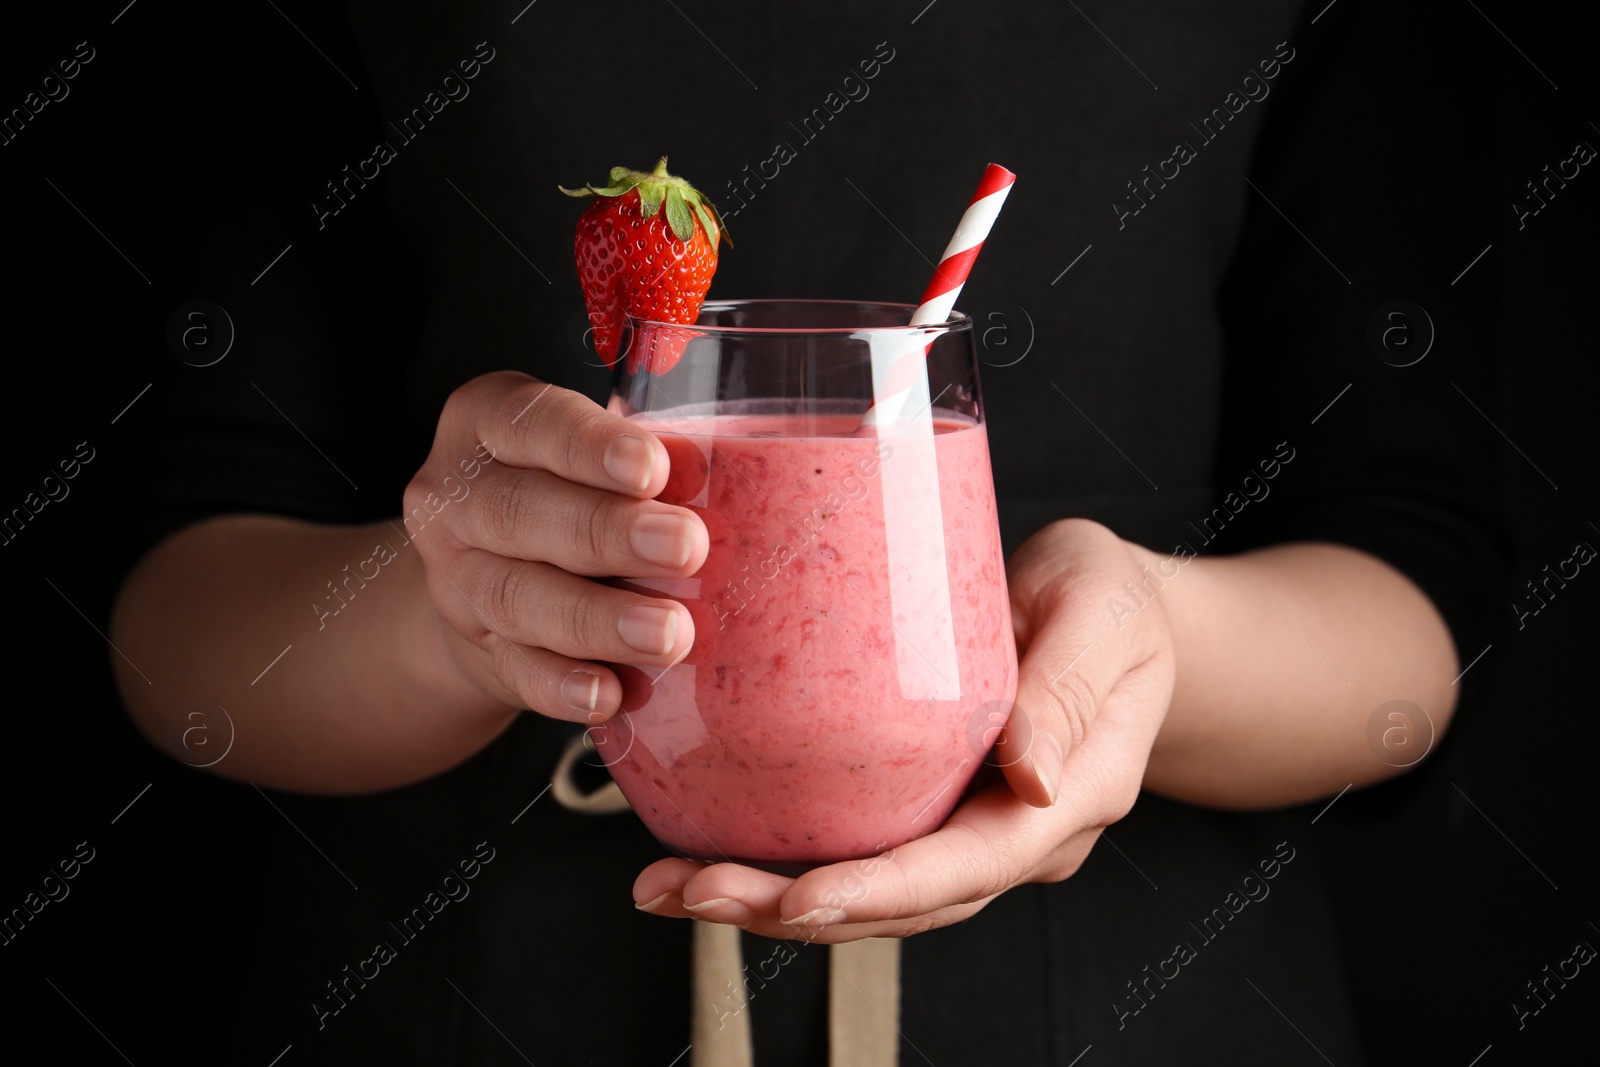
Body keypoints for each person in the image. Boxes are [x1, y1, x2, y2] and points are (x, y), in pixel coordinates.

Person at [106, 1, 1503, 1063]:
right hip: (472, 997)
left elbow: (1409, 588)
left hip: (1134, 1008)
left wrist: (1150, 647)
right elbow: (178, 617)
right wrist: (455, 612)